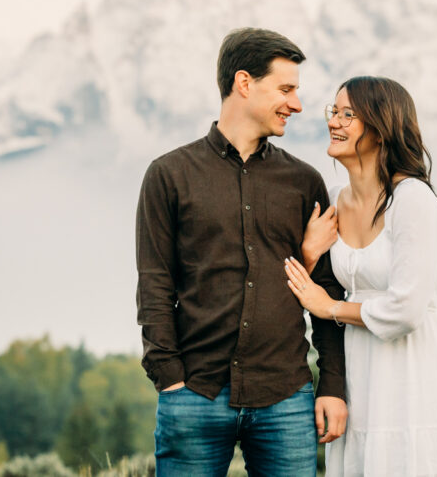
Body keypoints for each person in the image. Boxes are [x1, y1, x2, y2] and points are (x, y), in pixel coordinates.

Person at [136, 27, 347, 476]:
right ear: (244, 83)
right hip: (193, 393)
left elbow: (325, 289)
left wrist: (331, 384)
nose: (297, 104)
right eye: (286, 89)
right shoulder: (169, 175)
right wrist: (169, 377)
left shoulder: (305, 182)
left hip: (286, 398)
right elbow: (155, 282)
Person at [284, 76, 437, 477]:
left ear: (381, 127)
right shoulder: (333, 200)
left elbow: (406, 309)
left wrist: (331, 307)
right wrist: (308, 252)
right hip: (357, 367)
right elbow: (309, 275)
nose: (334, 121)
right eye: (333, 112)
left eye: (348, 114)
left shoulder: (413, 200)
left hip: (410, 366)